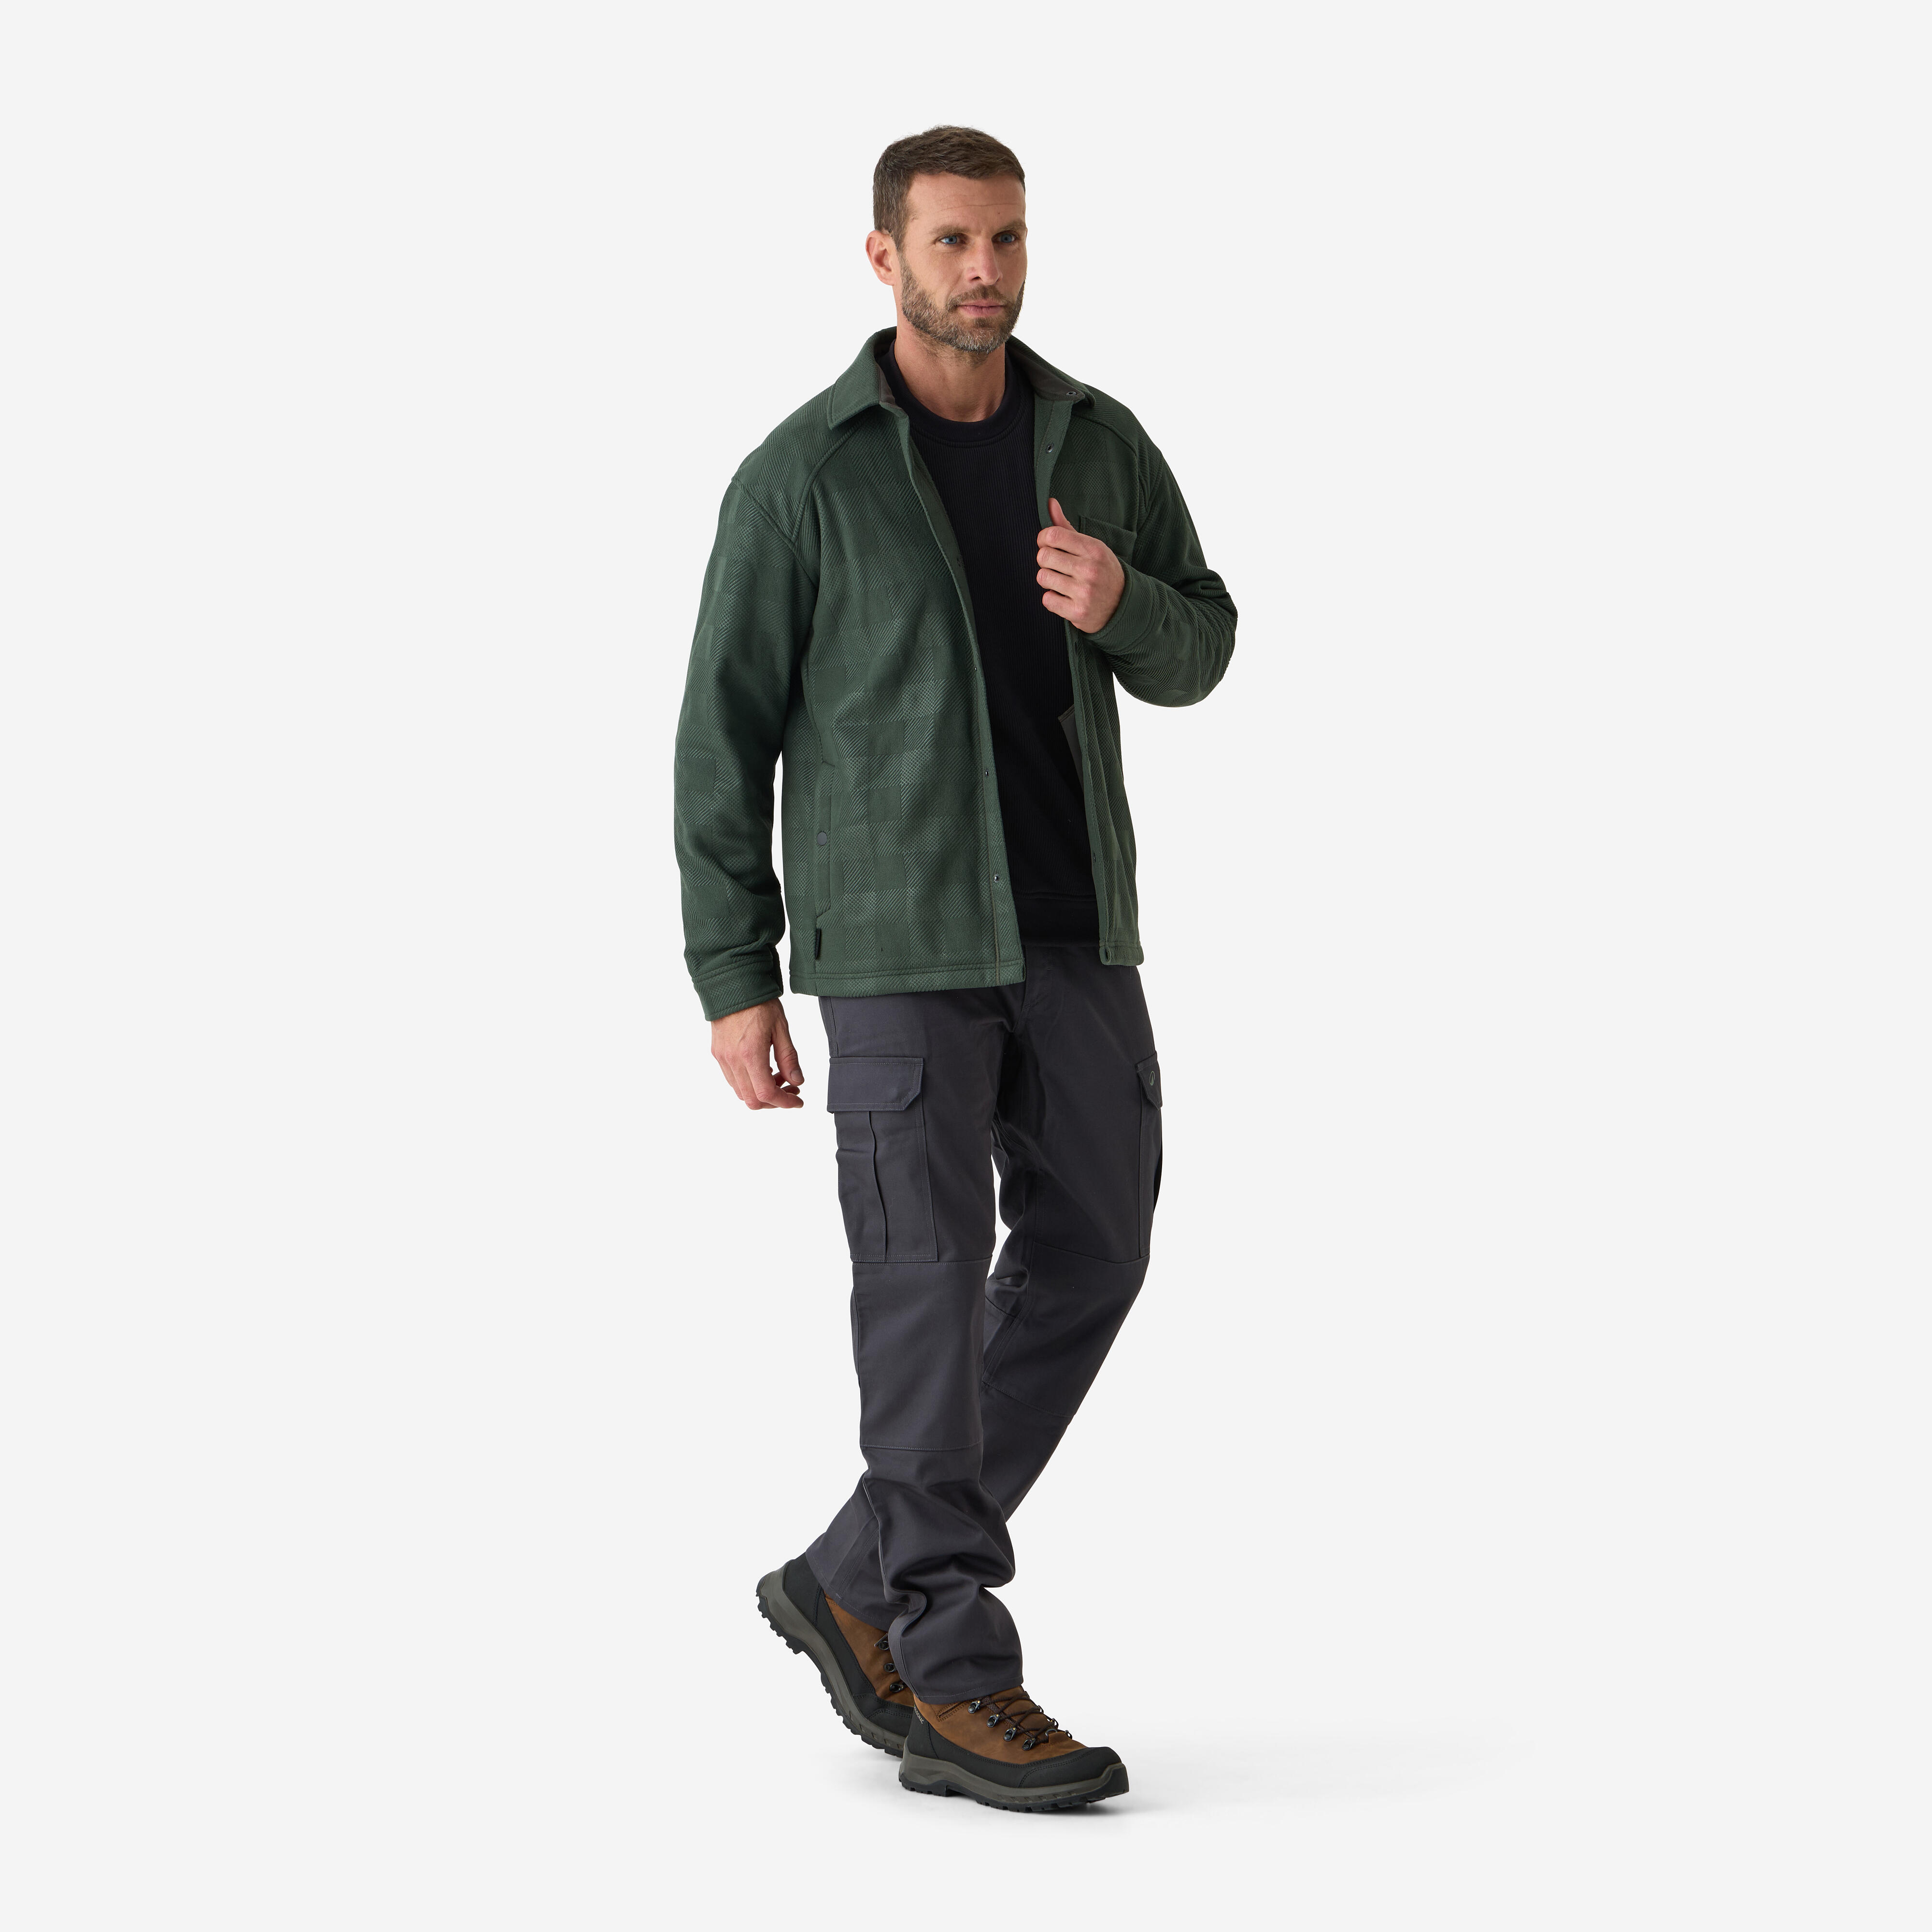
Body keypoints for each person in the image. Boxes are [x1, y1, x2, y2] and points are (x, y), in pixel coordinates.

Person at [673, 125, 1236, 1810]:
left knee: (1097, 1250)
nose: (982, 270)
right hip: (896, 944)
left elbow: (1203, 643)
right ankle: (950, 1664)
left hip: (1072, 931)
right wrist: (734, 973)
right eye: (950, 242)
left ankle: (853, 1575)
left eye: (1005, 239)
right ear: (885, 258)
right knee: (922, 1290)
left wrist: (1124, 601)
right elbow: (722, 735)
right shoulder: (805, 474)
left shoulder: (1095, 440)